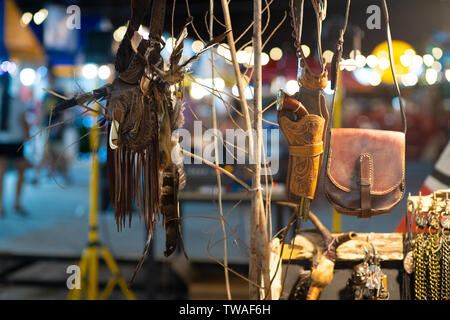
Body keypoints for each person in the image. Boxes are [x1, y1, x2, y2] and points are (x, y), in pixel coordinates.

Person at [0, 74, 31, 216]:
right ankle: (17, 203)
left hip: (2, 141)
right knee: (21, 173)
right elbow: (23, 121)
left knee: (0, 175)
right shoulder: (17, 100)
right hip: (16, 141)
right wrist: (28, 136)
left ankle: (1, 206)